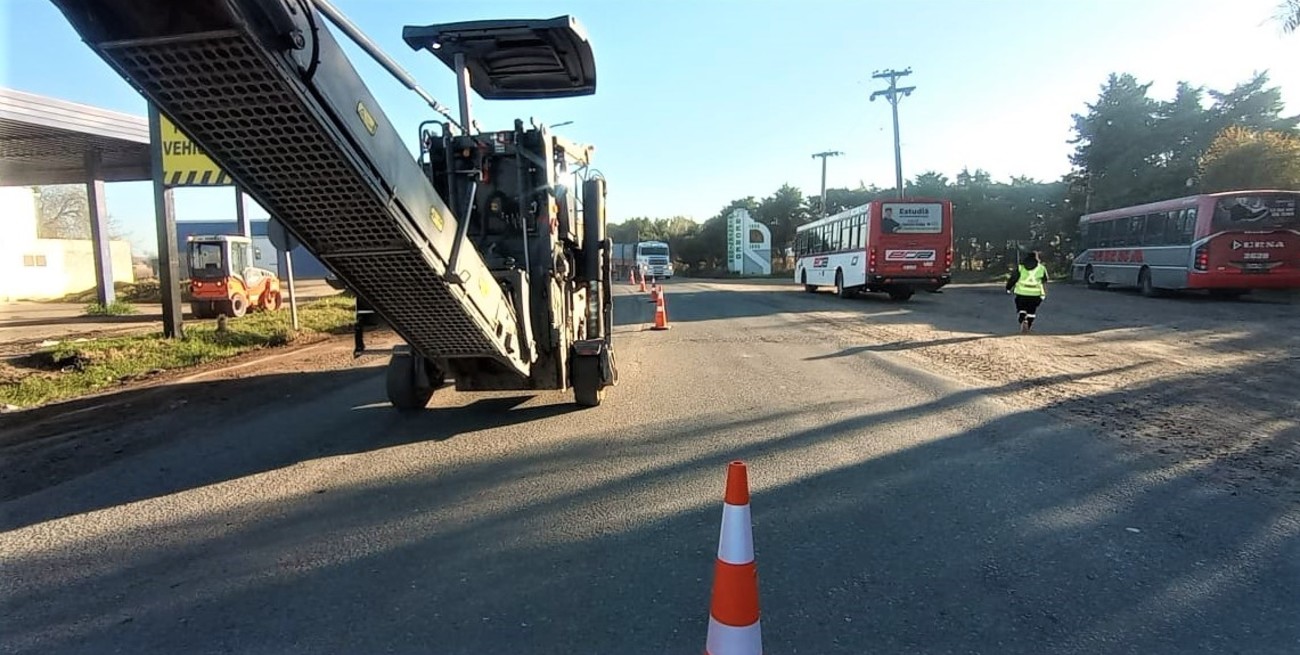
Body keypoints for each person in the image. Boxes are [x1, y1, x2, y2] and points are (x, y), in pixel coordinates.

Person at [1005, 251, 1048, 333]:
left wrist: (1008, 288)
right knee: (1032, 310)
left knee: (1021, 307)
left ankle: (1022, 316)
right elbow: (1045, 281)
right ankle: (1029, 325)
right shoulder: (1042, 268)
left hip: (1021, 293)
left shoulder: (1020, 267)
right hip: (1035, 294)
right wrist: (1044, 293)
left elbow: (1013, 279)